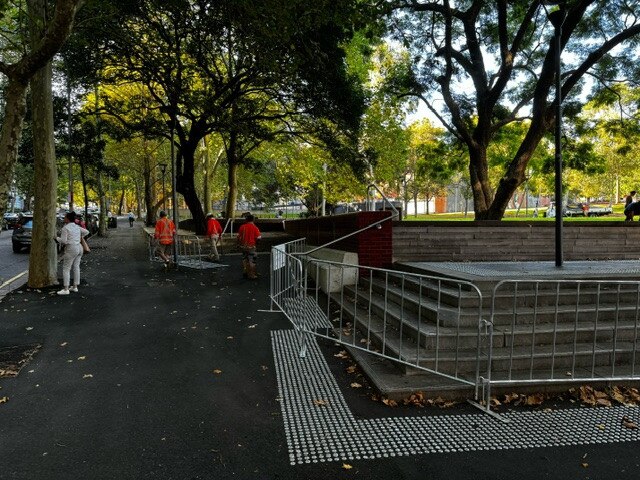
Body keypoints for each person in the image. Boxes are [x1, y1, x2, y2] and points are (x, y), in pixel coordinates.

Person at [56, 211, 89, 296]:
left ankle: (66, 289)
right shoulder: (77, 227)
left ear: (68, 219)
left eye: (65, 217)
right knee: (76, 267)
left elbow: (63, 241)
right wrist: (79, 237)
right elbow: (86, 232)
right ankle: (75, 286)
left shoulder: (65, 228)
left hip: (71, 248)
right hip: (79, 248)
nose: (64, 218)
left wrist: (56, 238)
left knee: (66, 268)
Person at [237, 214, 261, 279]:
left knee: (245, 259)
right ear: (253, 220)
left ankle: (245, 272)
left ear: (246, 220)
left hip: (243, 246)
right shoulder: (255, 227)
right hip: (251, 247)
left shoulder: (242, 227)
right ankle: (252, 275)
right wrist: (255, 245)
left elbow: (238, 237)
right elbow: (258, 238)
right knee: (252, 260)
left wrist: (239, 244)